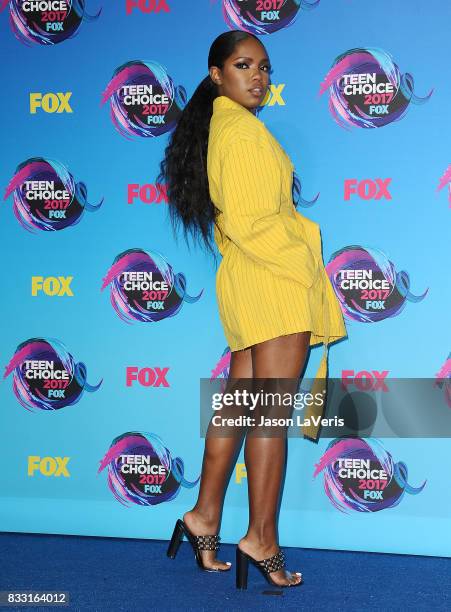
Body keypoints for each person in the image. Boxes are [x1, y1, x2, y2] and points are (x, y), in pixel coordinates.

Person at [158, 30, 347, 589]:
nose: (258, 77)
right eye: (244, 65)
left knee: (240, 405)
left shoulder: (225, 125)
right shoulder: (239, 132)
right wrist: (304, 257)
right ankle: (261, 537)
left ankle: (203, 516)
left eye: (264, 67)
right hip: (272, 278)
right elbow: (247, 221)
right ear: (216, 73)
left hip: (248, 278)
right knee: (268, 416)